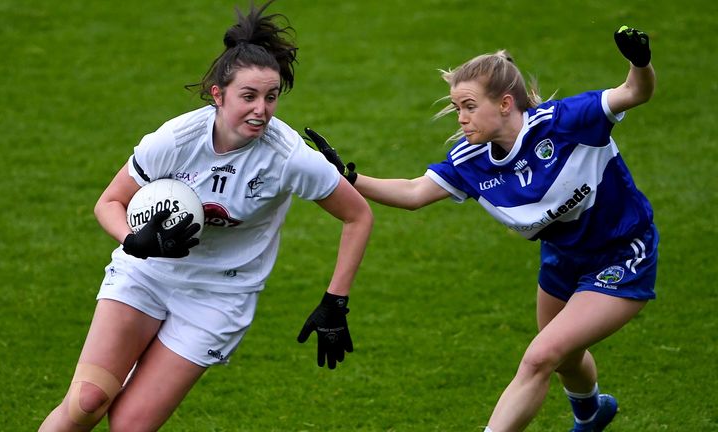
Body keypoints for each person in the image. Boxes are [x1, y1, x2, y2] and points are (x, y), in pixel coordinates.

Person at [39, 1, 372, 430]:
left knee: (130, 425)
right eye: (248, 96)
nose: (262, 110)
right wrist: (131, 239)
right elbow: (109, 202)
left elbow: (357, 215)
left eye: (271, 97)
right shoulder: (176, 139)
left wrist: (335, 303)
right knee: (87, 400)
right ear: (218, 94)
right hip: (147, 274)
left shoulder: (288, 157)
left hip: (218, 297)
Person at [306, 26, 657, 432]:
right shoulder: (471, 159)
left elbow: (635, 91)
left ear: (505, 103)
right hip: (563, 259)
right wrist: (348, 177)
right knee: (565, 354)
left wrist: (640, 61)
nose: (461, 118)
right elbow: (415, 192)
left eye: (469, 106)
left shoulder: (569, 121)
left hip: (623, 253)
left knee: (541, 356)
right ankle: (592, 412)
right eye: (458, 107)